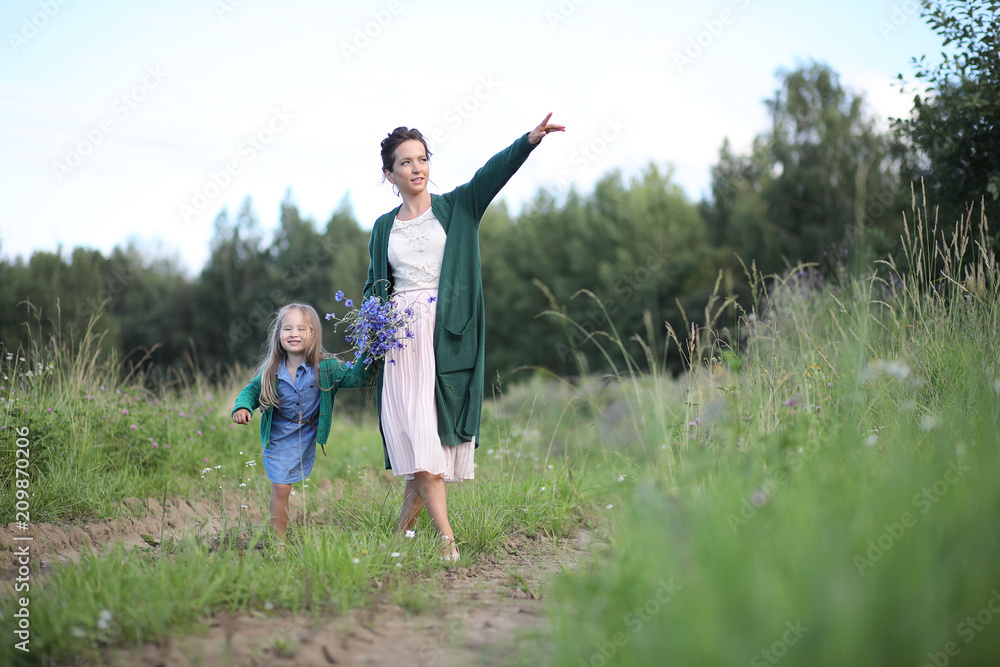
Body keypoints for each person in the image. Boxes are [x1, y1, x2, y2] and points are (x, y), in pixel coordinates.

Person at [363, 113, 565, 561]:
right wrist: (370, 336)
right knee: (418, 443)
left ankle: (445, 542)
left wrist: (527, 141)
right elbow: (374, 287)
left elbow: (490, 175)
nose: (417, 168)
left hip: (445, 336)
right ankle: (423, 537)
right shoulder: (382, 228)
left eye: (422, 159)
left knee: (428, 442)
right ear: (389, 174)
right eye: (405, 163)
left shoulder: (459, 207)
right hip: (400, 344)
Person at [232, 303, 368, 552]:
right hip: (279, 436)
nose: (293, 334)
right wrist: (243, 407)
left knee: (289, 483)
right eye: (287, 328)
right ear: (278, 335)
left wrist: (371, 349)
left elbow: (357, 377)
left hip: (306, 433)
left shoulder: (327, 367)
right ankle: (278, 543)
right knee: (281, 486)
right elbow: (251, 391)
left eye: (301, 329)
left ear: (313, 334)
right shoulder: (270, 370)